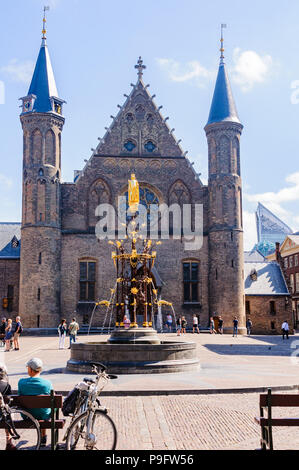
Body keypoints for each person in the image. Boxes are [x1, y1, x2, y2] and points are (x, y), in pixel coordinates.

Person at [18, 358, 53, 447]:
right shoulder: (47, 384)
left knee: (40, 408)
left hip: (27, 415)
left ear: (30, 369)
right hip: (43, 415)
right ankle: (43, 436)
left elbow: (19, 398)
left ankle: (43, 436)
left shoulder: (21, 382)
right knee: (45, 409)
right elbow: (52, 401)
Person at [0, 363, 15, 451]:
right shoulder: (6, 385)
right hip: (3, 417)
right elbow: (10, 401)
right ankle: (9, 442)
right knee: (8, 412)